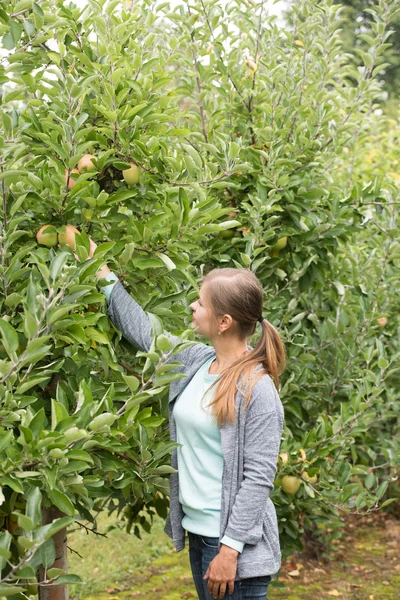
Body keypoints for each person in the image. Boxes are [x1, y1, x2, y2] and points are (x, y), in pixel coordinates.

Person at [73, 236, 286, 600]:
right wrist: (99, 269)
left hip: (234, 551)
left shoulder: (256, 387)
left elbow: (259, 478)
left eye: (200, 303)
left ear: (223, 321)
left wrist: (230, 550)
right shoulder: (196, 361)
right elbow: (144, 331)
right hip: (202, 538)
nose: (192, 305)